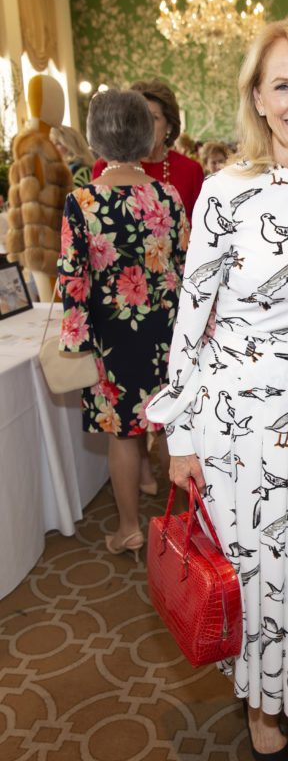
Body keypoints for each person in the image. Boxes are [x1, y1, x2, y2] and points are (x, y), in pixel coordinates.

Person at [146, 16, 288, 761]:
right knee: (259, 571)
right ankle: (262, 707)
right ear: (258, 100)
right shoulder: (225, 191)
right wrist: (179, 434)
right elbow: (190, 316)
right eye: (281, 85)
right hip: (236, 419)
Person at [57, 89, 189, 560]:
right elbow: (185, 265)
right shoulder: (167, 195)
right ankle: (185, 525)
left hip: (112, 339)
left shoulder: (83, 202)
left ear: (95, 139)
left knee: (124, 436)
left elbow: (72, 280)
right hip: (167, 333)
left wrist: (74, 339)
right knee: (177, 426)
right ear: (147, 136)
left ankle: (130, 527)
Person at [92, 80, 204, 222]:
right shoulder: (105, 166)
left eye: (153, 117)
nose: (145, 125)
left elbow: (202, 229)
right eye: (138, 118)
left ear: (169, 125)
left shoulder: (191, 170)